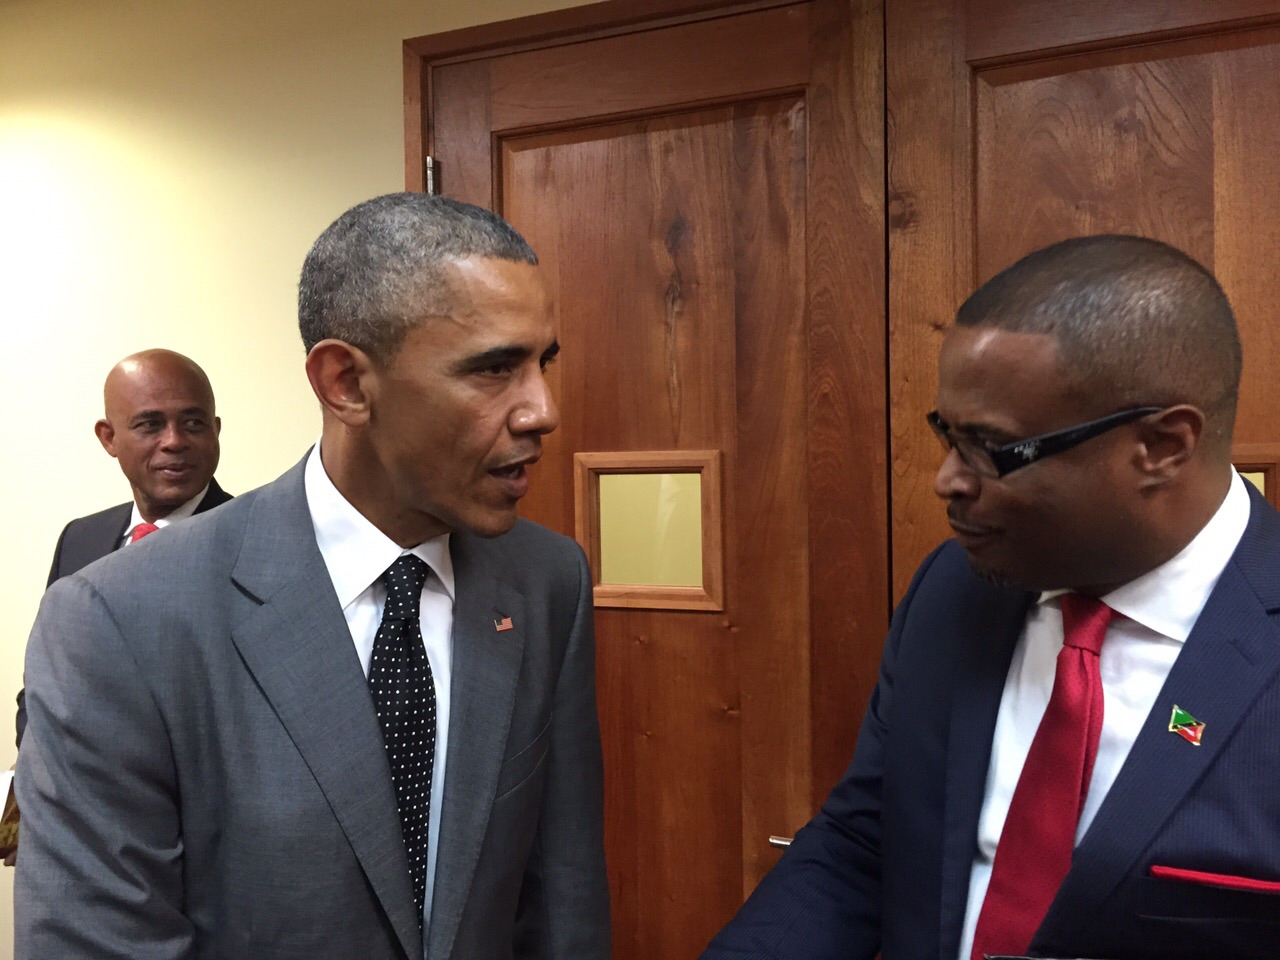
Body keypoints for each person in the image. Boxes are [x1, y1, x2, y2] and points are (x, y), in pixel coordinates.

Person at [15, 193, 610, 960]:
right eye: (494, 369)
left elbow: (564, 898)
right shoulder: (117, 621)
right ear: (346, 384)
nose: (542, 410)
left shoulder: (546, 579)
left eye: (543, 362)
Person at [701, 235, 1280, 960]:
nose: (947, 479)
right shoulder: (956, 589)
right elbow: (866, 839)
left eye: (991, 449)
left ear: (1162, 446)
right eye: (947, 434)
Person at [14, 348, 230, 747]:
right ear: (108, 437)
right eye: (150, 425)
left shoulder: (260, 539)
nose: (174, 441)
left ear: (216, 430)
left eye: (193, 423)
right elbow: (42, 686)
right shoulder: (80, 540)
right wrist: (39, 776)